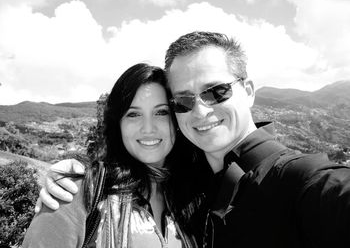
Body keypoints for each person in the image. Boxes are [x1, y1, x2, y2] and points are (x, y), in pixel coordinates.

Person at [35, 31, 350, 247]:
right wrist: (78, 173)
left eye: (216, 92)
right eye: (183, 101)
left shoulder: (299, 179)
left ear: (249, 91)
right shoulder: (191, 189)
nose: (200, 111)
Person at [22, 63, 202, 248]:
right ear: (118, 124)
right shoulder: (77, 193)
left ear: (176, 119)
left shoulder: (191, 197)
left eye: (161, 112)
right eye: (133, 114)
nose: (148, 128)